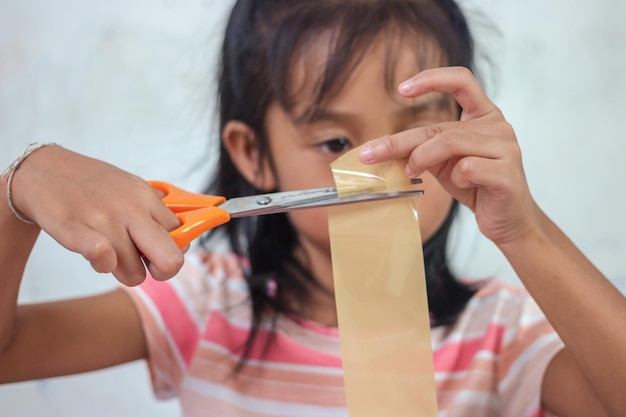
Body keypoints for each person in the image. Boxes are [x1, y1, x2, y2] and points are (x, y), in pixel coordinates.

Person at [1, 0, 625, 416]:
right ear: (254, 155)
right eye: (334, 142)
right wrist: (18, 193)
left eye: (417, 136)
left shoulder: (503, 334)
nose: (382, 169)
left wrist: (527, 232)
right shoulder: (201, 307)